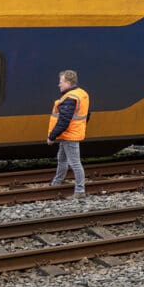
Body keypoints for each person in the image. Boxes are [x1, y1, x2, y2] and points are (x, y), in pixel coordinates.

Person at [47, 70, 90, 198]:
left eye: (61, 82)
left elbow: (64, 120)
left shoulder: (71, 98)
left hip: (69, 135)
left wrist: (51, 136)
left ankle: (80, 191)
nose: (59, 85)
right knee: (62, 158)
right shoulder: (81, 93)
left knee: (75, 163)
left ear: (68, 82)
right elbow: (87, 114)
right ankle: (57, 182)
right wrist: (79, 127)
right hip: (70, 133)